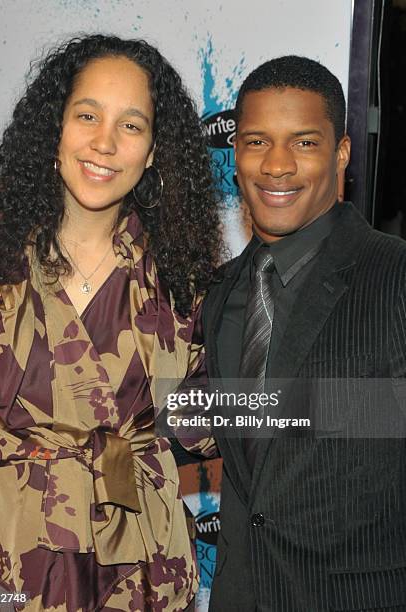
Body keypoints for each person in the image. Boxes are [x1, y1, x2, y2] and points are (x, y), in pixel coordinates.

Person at [0, 34, 220, 611]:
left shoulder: (184, 277)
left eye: (131, 126)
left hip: (139, 560)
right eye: (87, 116)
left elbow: (204, 417)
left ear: (155, 151)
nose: (104, 143)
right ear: (53, 127)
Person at [203, 56, 406, 611]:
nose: (276, 166)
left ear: (341, 152)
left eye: (304, 143)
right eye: (256, 141)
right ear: (236, 152)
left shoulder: (395, 276)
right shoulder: (220, 293)